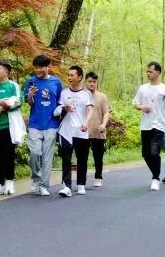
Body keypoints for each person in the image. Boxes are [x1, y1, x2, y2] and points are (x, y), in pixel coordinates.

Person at [132, 61, 165, 191]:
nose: (148, 73)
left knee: (154, 151)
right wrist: (142, 107)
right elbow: (135, 104)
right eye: (147, 71)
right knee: (145, 154)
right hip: (145, 125)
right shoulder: (142, 88)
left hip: (159, 125)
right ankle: (155, 173)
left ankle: (155, 178)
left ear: (158, 73)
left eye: (150, 71)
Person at [24, 54, 63, 196]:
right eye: (36, 67)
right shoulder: (31, 81)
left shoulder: (56, 82)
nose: (38, 70)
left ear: (48, 67)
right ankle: (36, 177)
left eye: (41, 67)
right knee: (34, 153)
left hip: (51, 123)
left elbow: (61, 101)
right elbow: (29, 103)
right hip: (35, 123)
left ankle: (44, 185)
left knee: (47, 157)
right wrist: (30, 95)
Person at [56, 65, 94, 196]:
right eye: (68, 75)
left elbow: (90, 109)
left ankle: (81, 184)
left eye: (72, 75)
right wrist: (64, 108)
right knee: (66, 158)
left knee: (82, 158)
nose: (69, 77)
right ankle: (66, 186)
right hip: (66, 130)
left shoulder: (86, 94)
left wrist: (86, 122)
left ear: (79, 77)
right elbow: (57, 110)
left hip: (81, 130)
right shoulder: (64, 93)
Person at [0, 61, 21, 195]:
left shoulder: (13, 85)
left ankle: (9, 181)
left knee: (8, 155)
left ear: (7, 72)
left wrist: (1, 108)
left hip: (9, 126)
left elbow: (17, 101)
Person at [85, 71, 111, 188]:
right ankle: (82, 179)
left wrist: (104, 124)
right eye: (89, 81)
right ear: (85, 82)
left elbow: (106, 112)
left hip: (98, 131)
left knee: (98, 156)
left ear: (97, 83)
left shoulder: (102, 96)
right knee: (83, 157)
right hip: (83, 132)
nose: (92, 84)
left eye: (94, 82)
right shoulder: (81, 95)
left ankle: (98, 177)